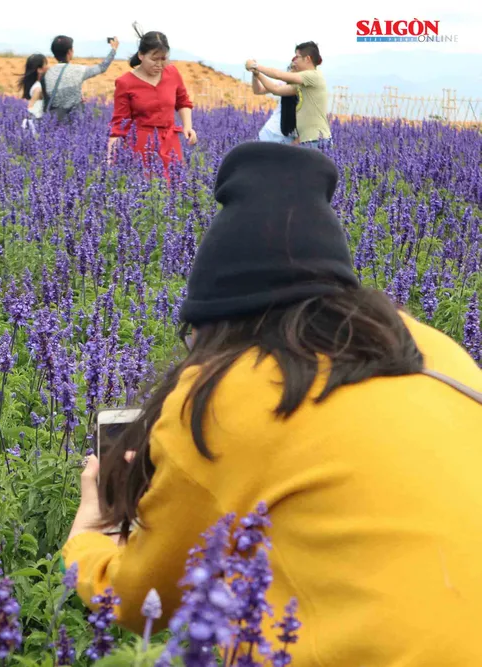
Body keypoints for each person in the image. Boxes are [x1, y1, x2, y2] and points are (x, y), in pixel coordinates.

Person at [63, 143, 482, 665]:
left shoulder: (221, 396)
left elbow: (145, 598)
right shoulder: (439, 350)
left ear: (217, 323)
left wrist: (85, 540)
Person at [108, 31, 196, 176]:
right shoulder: (125, 83)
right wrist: (111, 159)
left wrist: (188, 127)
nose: (160, 64)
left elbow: (183, 102)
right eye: (154, 59)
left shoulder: (172, 73)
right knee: (147, 190)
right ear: (141, 55)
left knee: (176, 189)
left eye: (164, 59)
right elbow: (119, 124)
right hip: (142, 145)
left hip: (170, 142)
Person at [247, 42, 331, 149]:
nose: (295, 62)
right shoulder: (301, 85)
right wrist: (257, 74)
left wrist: (256, 66)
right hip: (306, 139)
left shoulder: (312, 76)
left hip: (315, 139)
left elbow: (278, 75)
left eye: (298, 57)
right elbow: (275, 89)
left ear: (307, 59)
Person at [41, 35, 118, 121]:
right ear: (69, 52)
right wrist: (113, 49)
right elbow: (102, 67)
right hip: (75, 122)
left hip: (54, 122)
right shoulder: (78, 70)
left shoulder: (48, 73)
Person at [254, 62, 298, 144]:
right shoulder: (283, 85)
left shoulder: (305, 91)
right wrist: (255, 75)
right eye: (290, 68)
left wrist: (295, 143)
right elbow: (258, 90)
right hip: (268, 132)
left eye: (294, 69)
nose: (291, 72)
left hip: (287, 139)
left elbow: (275, 89)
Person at [18, 53, 48, 134]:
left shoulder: (34, 85)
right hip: (37, 123)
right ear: (39, 69)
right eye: (46, 64)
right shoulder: (38, 88)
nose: (48, 67)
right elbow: (30, 107)